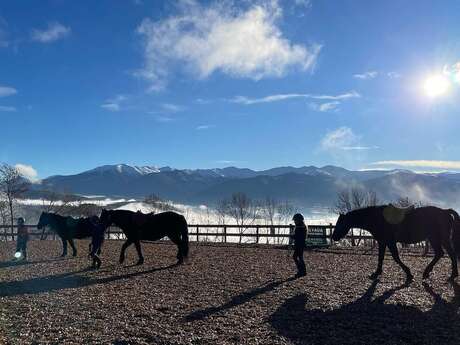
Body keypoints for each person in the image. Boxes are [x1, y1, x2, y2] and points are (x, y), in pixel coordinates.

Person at [291, 213, 307, 278]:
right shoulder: (300, 226)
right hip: (299, 244)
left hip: (300, 244)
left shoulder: (301, 227)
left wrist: (293, 236)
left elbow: (299, 237)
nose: (294, 221)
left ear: (299, 220)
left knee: (298, 257)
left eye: (295, 220)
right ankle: (302, 271)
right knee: (298, 257)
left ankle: (301, 271)